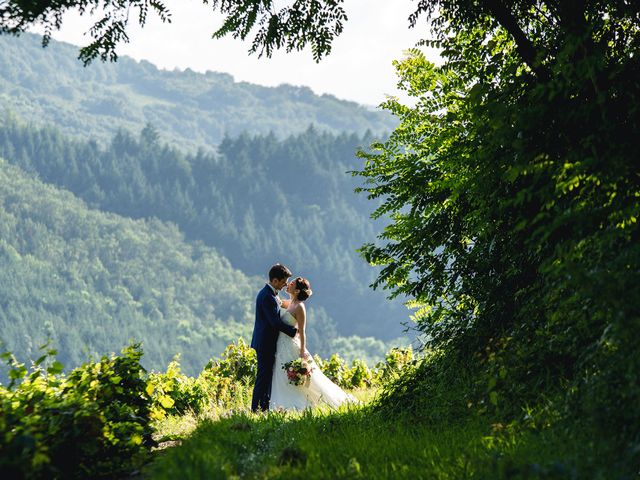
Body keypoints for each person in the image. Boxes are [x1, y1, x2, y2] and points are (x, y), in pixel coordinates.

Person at [270, 276, 356, 410]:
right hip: (281, 344)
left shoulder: (299, 307)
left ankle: (302, 403)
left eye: (291, 284)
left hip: (291, 345)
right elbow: (277, 302)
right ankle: (280, 404)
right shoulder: (290, 303)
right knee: (281, 375)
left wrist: (303, 350)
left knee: (309, 379)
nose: (288, 284)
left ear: (297, 291)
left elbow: (302, 331)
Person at [251, 263, 298, 412]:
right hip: (265, 343)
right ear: (275, 280)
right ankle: (256, 409)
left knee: (266, 375)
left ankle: (263, 407)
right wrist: (293, 331)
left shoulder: (271, 295)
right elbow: (274, 322)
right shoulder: (267, 296)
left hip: (266, 342)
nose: (285, 285)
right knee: (263, 376)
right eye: (284, 281)